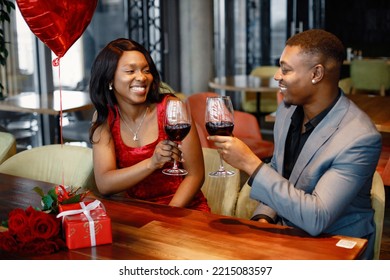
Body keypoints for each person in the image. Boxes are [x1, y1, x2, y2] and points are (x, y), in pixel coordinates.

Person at [208, 29, 382, 259]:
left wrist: (250, 163)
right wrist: (264, 218)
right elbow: (281, 174)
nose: (277, 76)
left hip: (336, 246)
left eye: (286, 69)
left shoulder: (359, 138)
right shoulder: (287, 111)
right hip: (286, 235)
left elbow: (317, 217)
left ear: (316, 73)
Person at [89, 38, 210, 212]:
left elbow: (196, 175)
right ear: (109, 79)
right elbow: (105, 184)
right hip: (138, 213)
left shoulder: (172, 108)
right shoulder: (105, 118)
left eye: (146, 70)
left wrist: (167, 215)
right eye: (130, 71)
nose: (142, 77)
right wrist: (152, 163)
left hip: (183, 211)